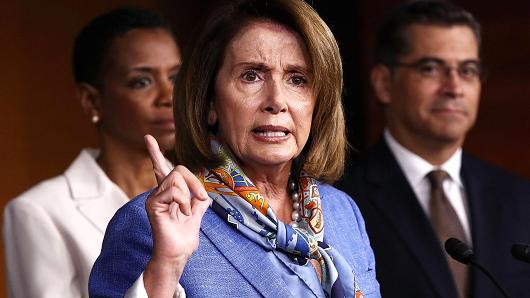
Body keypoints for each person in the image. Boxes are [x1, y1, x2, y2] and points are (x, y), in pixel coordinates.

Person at [88, 0, 381, 297]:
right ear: (210, 102)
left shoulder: (342, 211)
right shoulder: (148, 224)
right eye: (251, 75)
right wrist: (166, 266)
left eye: (297, 79)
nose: (276, 100)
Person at [337, 1, 530, 298]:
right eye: (430, 68)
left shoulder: (519, 197)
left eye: (467, 70)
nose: (454, 87)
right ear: (383, 83)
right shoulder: (341, 201)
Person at [3, 8, 181, 298]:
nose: (168, 96)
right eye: (142, 81)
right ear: (91, 100)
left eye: (175, 78)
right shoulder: (39, 212)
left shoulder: (204, 195)